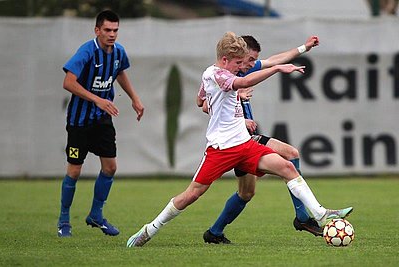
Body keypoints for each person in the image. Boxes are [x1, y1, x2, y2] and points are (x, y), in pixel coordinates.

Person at [126, 31, 352, 247]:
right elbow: (234, 86)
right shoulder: (216, 74)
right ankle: (149, 229)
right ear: (225, 60)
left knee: (287, 167)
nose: (243, 67)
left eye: (246, 62)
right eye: (239, 63)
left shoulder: (224, 74)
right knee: (192, 195)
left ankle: (320, 214)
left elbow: (202, 99)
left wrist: (227, 100)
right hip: (221, 149)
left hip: (244, 144)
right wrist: (275, 71)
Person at [200, 35, 323, 244]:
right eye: (249, 60)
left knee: (246, 193)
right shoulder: (225, 74)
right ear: (236, 56)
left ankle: (214, 232)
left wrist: (304, 47)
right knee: (291, 154)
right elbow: (204, 105)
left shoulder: (244, 69)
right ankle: (302, 217)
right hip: (237, 140)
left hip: (245, 140)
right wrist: (241, 106)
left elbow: (276, 60)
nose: (251, 64)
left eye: (253, 60)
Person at [57, 10, 144, 237]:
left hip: (102, 120)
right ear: (97, 30)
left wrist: (135, 98)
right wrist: (98, 99)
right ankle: (64, 220)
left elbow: (120, 72)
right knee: (74, 171)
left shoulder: (118, 52)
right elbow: (68, 82)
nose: (112, 34)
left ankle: (96, 215)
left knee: (110, 167)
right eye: (107, 30)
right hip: (79, 121)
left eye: (115, 30)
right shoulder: (87, 51)